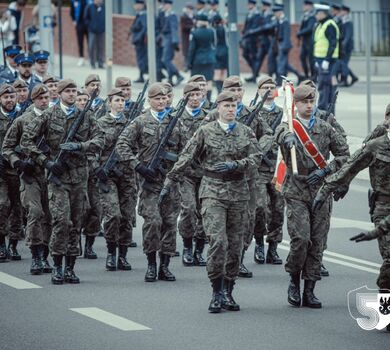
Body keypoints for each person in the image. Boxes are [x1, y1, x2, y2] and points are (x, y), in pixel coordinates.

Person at [161, 91, 263, 313]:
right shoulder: (205, 131)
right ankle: (216, 292)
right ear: (218, 108)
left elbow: (257, 158)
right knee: (218, 242)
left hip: (238, 193)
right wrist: (170, 182)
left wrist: (237, 165)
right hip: (212, 193)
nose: (230, 109)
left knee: (236, 246)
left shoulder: (246, 132)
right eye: (226, 105)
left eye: (233, 105)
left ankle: (229, 290)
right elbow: (186, 157)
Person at [20, 79, 104, 285]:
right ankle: (57, 265)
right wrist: (46, 161)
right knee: (61, 222)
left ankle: (70, 268)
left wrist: (80, 146)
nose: (72, 95)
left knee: (76, 223)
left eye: (75, 91)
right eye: (68, 91)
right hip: (57, 179)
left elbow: (101, 140)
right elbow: (26, 141)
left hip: (79, 178)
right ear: (59, 93)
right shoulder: (49, 115)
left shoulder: (87, 116)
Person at [274, 85, 349, 308]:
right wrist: (286, 139)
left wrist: (326, 170)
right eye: (304, 102)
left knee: (317, 242)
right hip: (296, 189)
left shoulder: (325, 128)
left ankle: (310, 289)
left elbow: (345, 155)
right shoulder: (288, 127)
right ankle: (294, 281)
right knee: (301, 239)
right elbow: (276, 136)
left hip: (320, 191)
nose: (309, 105)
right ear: (295, 104)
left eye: (311, 101)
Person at [313, 113, 390, 293]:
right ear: (388, 119)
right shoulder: (375, 147)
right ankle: (385, 310)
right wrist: (325, 190)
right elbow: (349, 168)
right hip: (384, 208)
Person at [115, 83, 184, 282]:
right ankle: (151, 264)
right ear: (150, 101)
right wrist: (137, 166)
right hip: (149, 183)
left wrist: (177, 167)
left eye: (164, 98)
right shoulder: (140, 122)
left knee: (170, 224)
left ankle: (165, 266)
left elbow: (187, 148)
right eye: (157, 98)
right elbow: (122, 145)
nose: (162, 102)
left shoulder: (176, 122)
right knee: (153, 222)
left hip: (170, 183)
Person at [2, 84, 52, 275]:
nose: (44, 101)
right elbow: (7, 147)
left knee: (50, 216)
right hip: (30, 175)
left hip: (51, 175)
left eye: (46, 97)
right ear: (33, 100)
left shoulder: (56, 119)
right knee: (35, 212)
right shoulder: (22, 121)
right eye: (40, 98)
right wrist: (18, 163)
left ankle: (46, 254)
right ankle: (36, 256)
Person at [94, 88, 136, 271]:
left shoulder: (133, 124)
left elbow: (140, 148)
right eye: (117, 100)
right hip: (107, 176)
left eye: (123, 100)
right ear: (109, 102)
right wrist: (97, 168)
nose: (121, 103)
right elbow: (92, 149)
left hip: (127, 176)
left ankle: (123, 256)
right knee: (113, 215)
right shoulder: (100, 124)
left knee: (126, 217)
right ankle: (111, 252)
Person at [176, 82, 208, 266]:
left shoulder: (209, 117)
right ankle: (187, 246)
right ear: (185, 97)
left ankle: (199, 250)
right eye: (191, 95)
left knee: (204, 211)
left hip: (205, 172)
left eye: (198, 95)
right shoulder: (176, 117)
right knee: (188, 209)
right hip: (186, 172)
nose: (195, 98)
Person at [253, 76, 284, 265]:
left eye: (272, 87)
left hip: (278, 168)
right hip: (258, 169)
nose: (269, 90)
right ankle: (259, 244)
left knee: (278, 210)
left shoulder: (284, 114)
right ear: (258, 91)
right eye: (265, 87)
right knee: (260, 208)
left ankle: (273, 247)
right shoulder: (253, 115)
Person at [0, 84, 24, 262]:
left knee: (18, 207)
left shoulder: (22, 116)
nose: (9, 100)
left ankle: (13, 244)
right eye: (5, 97)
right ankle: (1, 242)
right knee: (2, 205)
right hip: (1, 169)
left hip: (18, 168)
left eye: (12, 96)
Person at [312, 4, 339, 110]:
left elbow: (333, 44)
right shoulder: (321, 24)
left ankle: (325, 109)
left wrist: (327, 60)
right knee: (323, 84)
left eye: (317, 13)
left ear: (323, 14)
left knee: (326, 85)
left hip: (328, 60)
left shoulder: (330, 25)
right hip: (320, 59)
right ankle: (324, 107)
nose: (316, 16)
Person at [187, 14, 216, 100]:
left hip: (198, 60)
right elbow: (213, 44)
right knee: (209, 81)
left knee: (195, 81)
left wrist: (189, 62)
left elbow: (192, 49)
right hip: (210, 59)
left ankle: (197, 99)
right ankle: (209, 100)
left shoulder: (194, 32)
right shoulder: (211, 31)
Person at [161, 0, 184, 86]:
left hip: (170, 40)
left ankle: (179, 75)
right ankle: (170, 79)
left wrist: (175, 42)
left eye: (165, 4)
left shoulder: (172, 15)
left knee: (165, 60)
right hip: (166, 39)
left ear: (169, 5)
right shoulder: (166, 14)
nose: (164, 6)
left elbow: (174, 29)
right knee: (167, 60)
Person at [241, 0, 261, 83]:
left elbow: (255, 27)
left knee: (254, 57)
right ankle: (255, 72)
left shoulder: (257, 14)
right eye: (248, 4)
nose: (249, 5)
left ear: (253, 4)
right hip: (247, 38)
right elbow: (246, 26)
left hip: (253, 39)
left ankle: (254, 75)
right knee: (245, 54)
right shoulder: (249, 14)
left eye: (250, 4)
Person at [339, 5, 358, 87]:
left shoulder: (348, 22)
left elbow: (348, 35)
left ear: (346, 12)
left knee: (344, 64)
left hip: (347, 46)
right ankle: (353, 77)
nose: (340, 12)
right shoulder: (343, 21)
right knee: (343, 63)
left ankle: (346, 81)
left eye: (342, 11)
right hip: (344, 46)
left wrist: (343, 44)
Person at [297, 1, 316, 79]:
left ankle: (313, 76)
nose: (303, 7)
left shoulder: (312, 16)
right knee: (302, 57)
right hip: (305, 41)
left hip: (310, 41)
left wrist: (300, 33)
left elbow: (309, 28)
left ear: (310, 6)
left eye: (305, 5)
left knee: (311, 60)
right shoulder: (305, 16)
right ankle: (306, 75)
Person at [84, 0, 105, 69]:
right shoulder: (90, 7)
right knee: (92, 47)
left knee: (101, 47)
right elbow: (86, 18)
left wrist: (103, 27)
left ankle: (100, 63)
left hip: (101, 31)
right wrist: (90, 26)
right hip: (92, 31)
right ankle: (92, 63)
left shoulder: (103, 7)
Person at [130, 0, 148, 83]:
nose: (135, 6)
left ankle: (143, 75)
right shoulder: (139, 15)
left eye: (137, 4)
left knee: (141, 59)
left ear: (141, 5)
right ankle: (141, 76)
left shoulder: (143, 15)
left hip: (140, 41)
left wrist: (138, 38)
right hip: (138, 40)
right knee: (140, 58)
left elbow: (144, 28)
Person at [211, 14, 227, 94]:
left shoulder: (213, 30)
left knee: (217, 73)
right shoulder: (224, 28)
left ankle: (219, 92)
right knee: (223, 72)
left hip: (217, 51)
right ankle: (222, 92)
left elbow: (213, 43)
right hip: (225, 51)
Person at [70, 0, 89, 67]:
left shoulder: (88, 1)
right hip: (79, 24)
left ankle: (90, 58)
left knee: (90, 42)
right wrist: (74, 21)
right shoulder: (74, 1)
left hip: (88, 24)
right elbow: (72, 12)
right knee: (80, 42)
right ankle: (81, 58)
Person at [180, 3, 195, 71]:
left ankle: (190, 65)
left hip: (192, 37)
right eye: (189, 9)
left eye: (191, 9)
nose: (190, 10)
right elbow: (184, 27)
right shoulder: (183, 16)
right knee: (186, 52)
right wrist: (192, 26)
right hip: (186, 38)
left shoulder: (193, 16)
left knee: (191, 51)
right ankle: (186, 66)